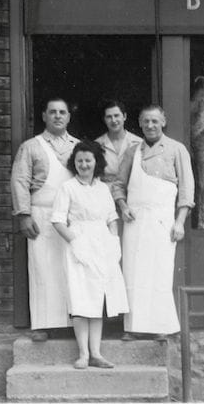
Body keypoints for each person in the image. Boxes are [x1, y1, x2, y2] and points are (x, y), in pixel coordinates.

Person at [113, 105, 195, 341]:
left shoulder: (176, 149)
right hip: (135, 220)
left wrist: (179, 222)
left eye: (155, 121)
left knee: (159, 272)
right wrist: (124, 206)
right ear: (139, 123)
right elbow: (119, 184)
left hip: (162, 220)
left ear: (163, 122)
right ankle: (133, 327)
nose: (150, 126)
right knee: (133, 271)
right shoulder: (132, 151)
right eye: (146, 121)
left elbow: (186, 191)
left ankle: (161, 326)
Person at [51, 140, 129, 369]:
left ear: (96, 162)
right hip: (78, 245)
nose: (84, 165)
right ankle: (83, 354)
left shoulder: (103, 188)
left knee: (98, 298)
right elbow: (57, 220)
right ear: (74, 163)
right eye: (79, 161)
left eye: (88, 160)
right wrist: (76, 242)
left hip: (102, 245)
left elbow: (111, 218)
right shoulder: (68, 188)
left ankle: (96, 353)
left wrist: (114, 242)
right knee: (80, 298)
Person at [10, 97, 79, 339]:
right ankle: (42, 325)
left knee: (69, 268)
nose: (58, 116)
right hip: (40, 214)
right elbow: (19, 181)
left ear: (69, 116)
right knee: (42, 268)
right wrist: (24, 215)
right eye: (53, 112)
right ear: (44, 116)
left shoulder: (78, 146)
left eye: (62, 112)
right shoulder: (31, 146)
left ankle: (73, 325)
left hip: (70, 217)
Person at [94, 99, 142, 193]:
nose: (113, 120)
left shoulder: (138, 143)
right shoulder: (97, 145)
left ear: (124, 116)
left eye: (116, 116)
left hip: (131, 193)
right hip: (106, 194)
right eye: (109, 117)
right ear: (104, 120)